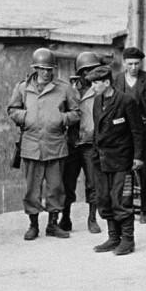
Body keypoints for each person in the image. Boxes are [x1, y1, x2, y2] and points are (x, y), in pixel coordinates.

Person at [7, 48, 80, 241]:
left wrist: (61, 118)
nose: (46, 73)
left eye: (49, 69)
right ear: (36, 68)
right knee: (32, 188)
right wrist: (25, 117)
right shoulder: (23, 88)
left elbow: (76, 112)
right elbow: (12, 109)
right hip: (31, 144)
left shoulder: (64, 88)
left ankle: (53, 225)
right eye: (42, 69)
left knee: (56, 187)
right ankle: (33, 225)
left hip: (55, 144)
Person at [86, 65, 146, 256]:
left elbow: (138, 131)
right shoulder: (97, 101)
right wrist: (94, 153)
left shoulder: (126, 101)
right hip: (101, 159)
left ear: (107, 82)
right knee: (104, 199)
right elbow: (97, 130)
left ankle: (128, 240)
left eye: (96, 83)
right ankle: (114, 238)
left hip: (121, 159)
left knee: (121, 199)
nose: (92, 87)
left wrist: (138, 156)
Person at [114, 47, 146, 223]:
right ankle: (125, 207)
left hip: (145, 132)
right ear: (124, 63)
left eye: (137, 64)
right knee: (124, 171)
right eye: (130, 64)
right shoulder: (117, 80)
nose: (133, 67)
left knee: (145, 171)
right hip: (124, 133)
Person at [60, 51, 105, 234]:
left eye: (93, 70)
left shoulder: (99, 90)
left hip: (90, 143)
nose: (89, 74)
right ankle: (65, 217)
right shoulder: (69, 89)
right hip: (71, 142)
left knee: (92, 183)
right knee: (67, 182)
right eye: (86, 71)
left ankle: (92, 218)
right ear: (79, 72)